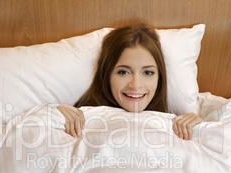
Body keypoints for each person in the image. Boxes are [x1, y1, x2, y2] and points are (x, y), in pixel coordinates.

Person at [57, 23, 202, 140]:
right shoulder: (80, 118)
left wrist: (197, 126)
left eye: (148, 72)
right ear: (107, 75)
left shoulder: (173, 123)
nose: (136, 84)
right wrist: (55, 115)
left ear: (159, 77)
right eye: (123, 72)